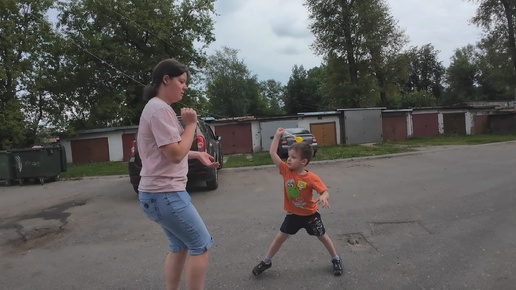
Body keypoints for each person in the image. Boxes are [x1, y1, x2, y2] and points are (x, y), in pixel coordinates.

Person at [137, 58, 219, 290]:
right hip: (166, 194)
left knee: (180, 246)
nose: (185, 86)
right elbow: (174, 155)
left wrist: (195, 155)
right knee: (200, 246)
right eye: (181, 81)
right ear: (166, 79)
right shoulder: (160, 110)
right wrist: (191, 125)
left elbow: (165, 150)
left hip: (155, 194)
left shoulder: (157, 108)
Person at [252, 127, 343, 277]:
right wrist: (277, 135)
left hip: (310, 215)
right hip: (293, 214)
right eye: (288, 156)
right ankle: (266, 261)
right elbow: (272, 153)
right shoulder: (285, 170)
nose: (288, 159)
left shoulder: (311, 178)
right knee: (280, 237)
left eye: (293, 157)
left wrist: (324, 196)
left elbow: (324, 191)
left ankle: (336, 259)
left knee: (323, 236)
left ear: (303, 161)